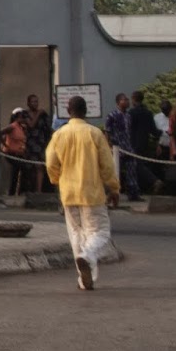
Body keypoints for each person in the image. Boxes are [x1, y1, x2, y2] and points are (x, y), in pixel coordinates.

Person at [45, 94, 119, 291]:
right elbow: (107, 165)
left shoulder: (59, 134)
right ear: (86, 111)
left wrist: (56, 180)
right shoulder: (94, 133)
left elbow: (51, 162)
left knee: (77, 234)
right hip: (92, 192)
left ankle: (85, 279)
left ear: (68, 112)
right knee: (100, 233)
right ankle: (87, 257)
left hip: (68, 192)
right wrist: (114, 188)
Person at [104, 93, 142, 202]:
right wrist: (108, 146)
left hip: (128, 148)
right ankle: (113, 194)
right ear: (118, 102)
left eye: (127, 100)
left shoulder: (129, 116)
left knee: (132, 171)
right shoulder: (112, 115)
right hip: (117, 148)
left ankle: (133, 194)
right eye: (124, 100)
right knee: (115, 173)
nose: (127, 102)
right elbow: (107, 131)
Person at [23, 93, 54, 192]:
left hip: (41, 143)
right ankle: (31, 189)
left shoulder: (43, 114)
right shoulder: (25, 114)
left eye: (36, 101)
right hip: (30, 143)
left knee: (40, 167)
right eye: (33, 102)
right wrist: (38, 114)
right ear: (28, 103)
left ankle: (39, 190)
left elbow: (49, 128)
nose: (35, 104)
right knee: (30, 167)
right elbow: (31, 125)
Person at [0, 107, 30, 195]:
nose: (23, 118)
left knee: (18, 171)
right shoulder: (12, 126)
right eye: (21, 117)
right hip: (11, 153)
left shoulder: (21, 127)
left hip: (19, 153)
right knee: (20, 169)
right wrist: (5, 145)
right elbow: (0, 133)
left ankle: (18, 192)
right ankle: (13, 192)